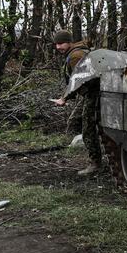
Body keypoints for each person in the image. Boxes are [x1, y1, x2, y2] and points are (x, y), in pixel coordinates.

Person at [49, 29, 102, 176]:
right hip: (90, 93)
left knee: (88, 128)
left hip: (94, 93)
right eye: (56, 44)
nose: (58, 47)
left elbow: (79, 80)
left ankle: (95, 163)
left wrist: (64, 98)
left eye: (61, 43)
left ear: (69, 42)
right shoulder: (76, 52)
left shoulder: (76, 56)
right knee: (75, 120)